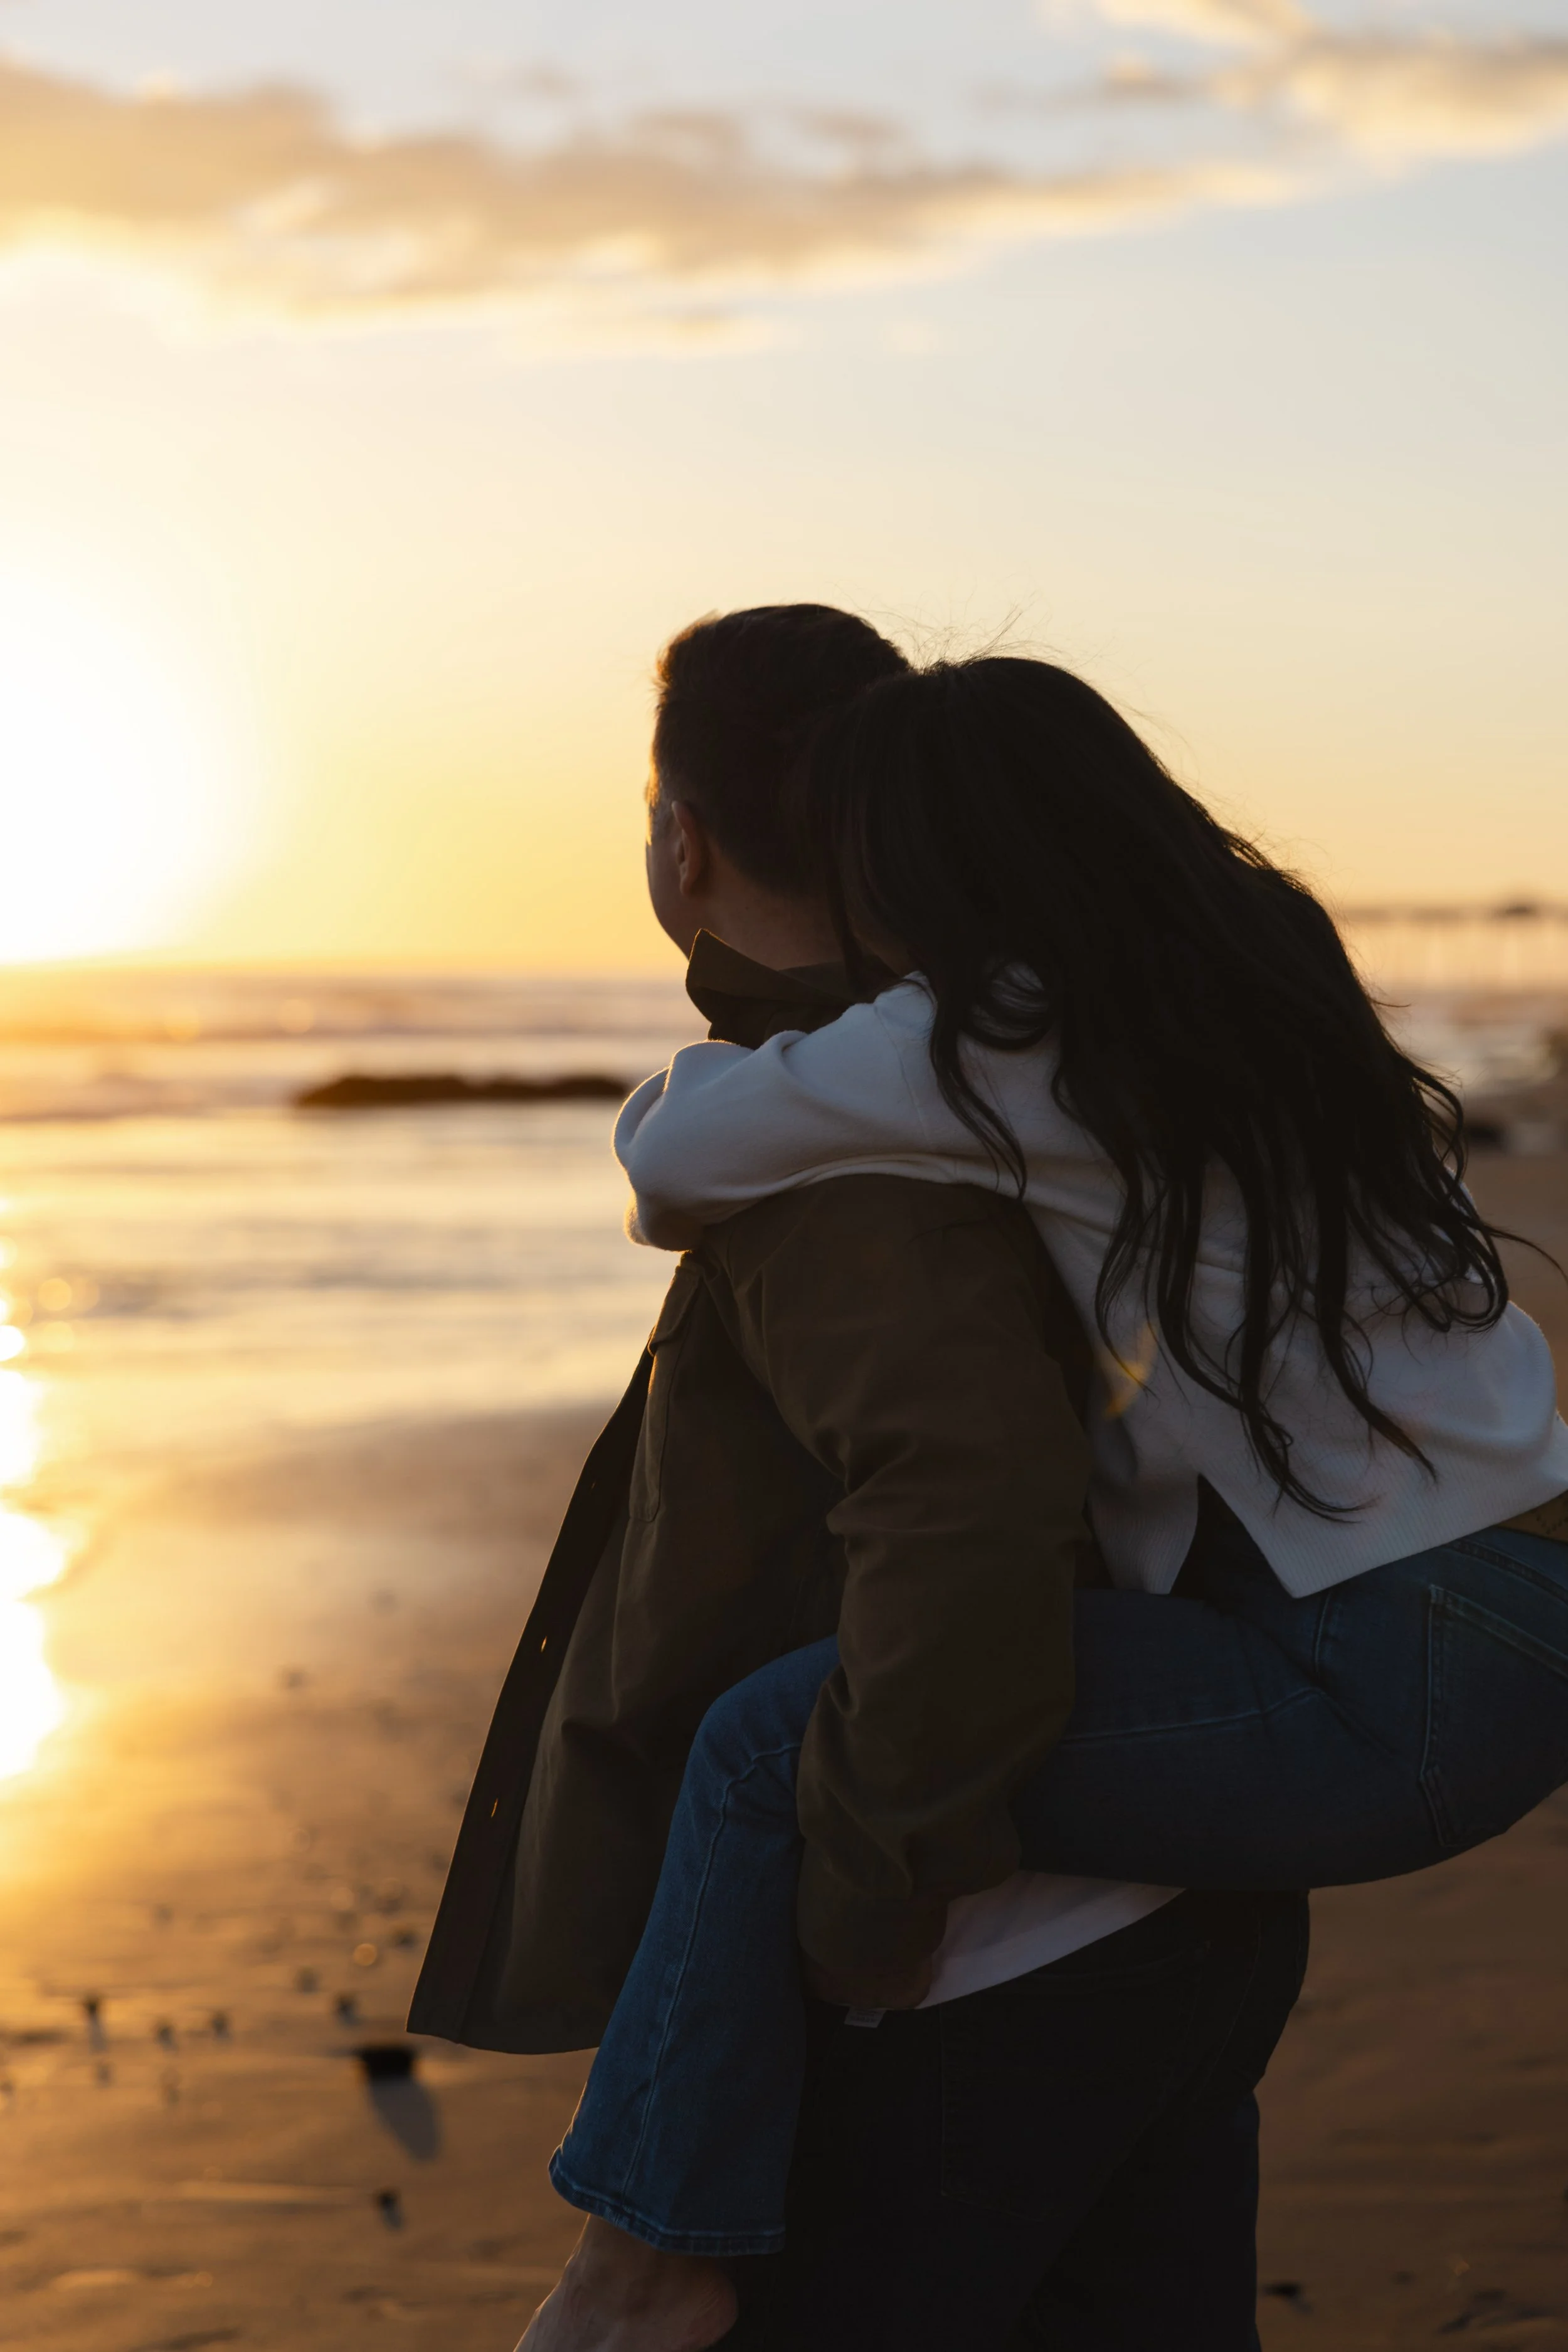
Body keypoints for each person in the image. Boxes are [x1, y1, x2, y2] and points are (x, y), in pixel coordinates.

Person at [516, 644, 1568, 2343]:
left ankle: (641, 2252)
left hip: (1388, 1665)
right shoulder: (1240, 972)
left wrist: (868, 1918)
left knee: (758, 1747)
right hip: (1517, 1595)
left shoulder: (992, 1033)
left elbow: (671, 1154)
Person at [410, 610, 1312, 2351]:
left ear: (682, 841)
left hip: (982, 1954)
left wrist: (864, 1906)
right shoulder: (1000, 1073)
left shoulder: (836, 1146)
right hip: (1149, 1906)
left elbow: (963, 1505)